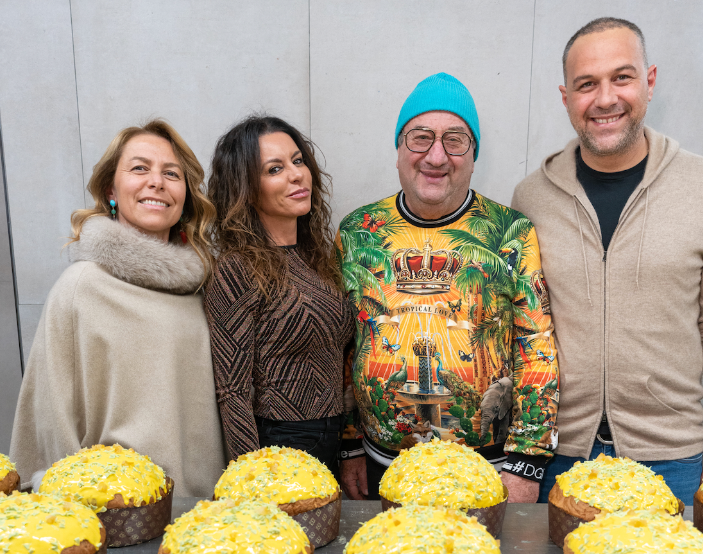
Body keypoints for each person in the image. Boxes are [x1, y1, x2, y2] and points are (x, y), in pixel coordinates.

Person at [337, 73, 559, 502]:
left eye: (455, 140)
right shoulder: (357, 232)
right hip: (381, 464)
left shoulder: (511, 232)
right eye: (420, 138)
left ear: (474, 156)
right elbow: (344, 346)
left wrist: (527, 466)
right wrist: (348, 446)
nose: (436, 156)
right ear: (399, 150)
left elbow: (538, 348)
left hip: (487, 472)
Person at [512, 17, 703, 505]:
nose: (605, 99)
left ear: (650, 80)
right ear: (565, 97)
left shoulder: (698, 187)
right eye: (586, 85)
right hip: (560, 458)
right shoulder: (531, 197)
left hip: (677, 458)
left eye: (622, 77)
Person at [10, 119, 226, 496]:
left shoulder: (208, 290)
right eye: (140, 168)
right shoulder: (81, 288)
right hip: (118, 516)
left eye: (171, 173)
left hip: (207, 518)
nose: (156, 182)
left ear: (186, 196)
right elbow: (50, 420)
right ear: (111, 189)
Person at [205, 115, 354, 478]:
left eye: (297, 161)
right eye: (275, 169)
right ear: (246, 188)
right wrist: (254, 479)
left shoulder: (315, 256)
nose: (296, 174)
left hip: (332, 438)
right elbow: (233, 392)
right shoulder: (236, 269)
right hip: (279, 444)